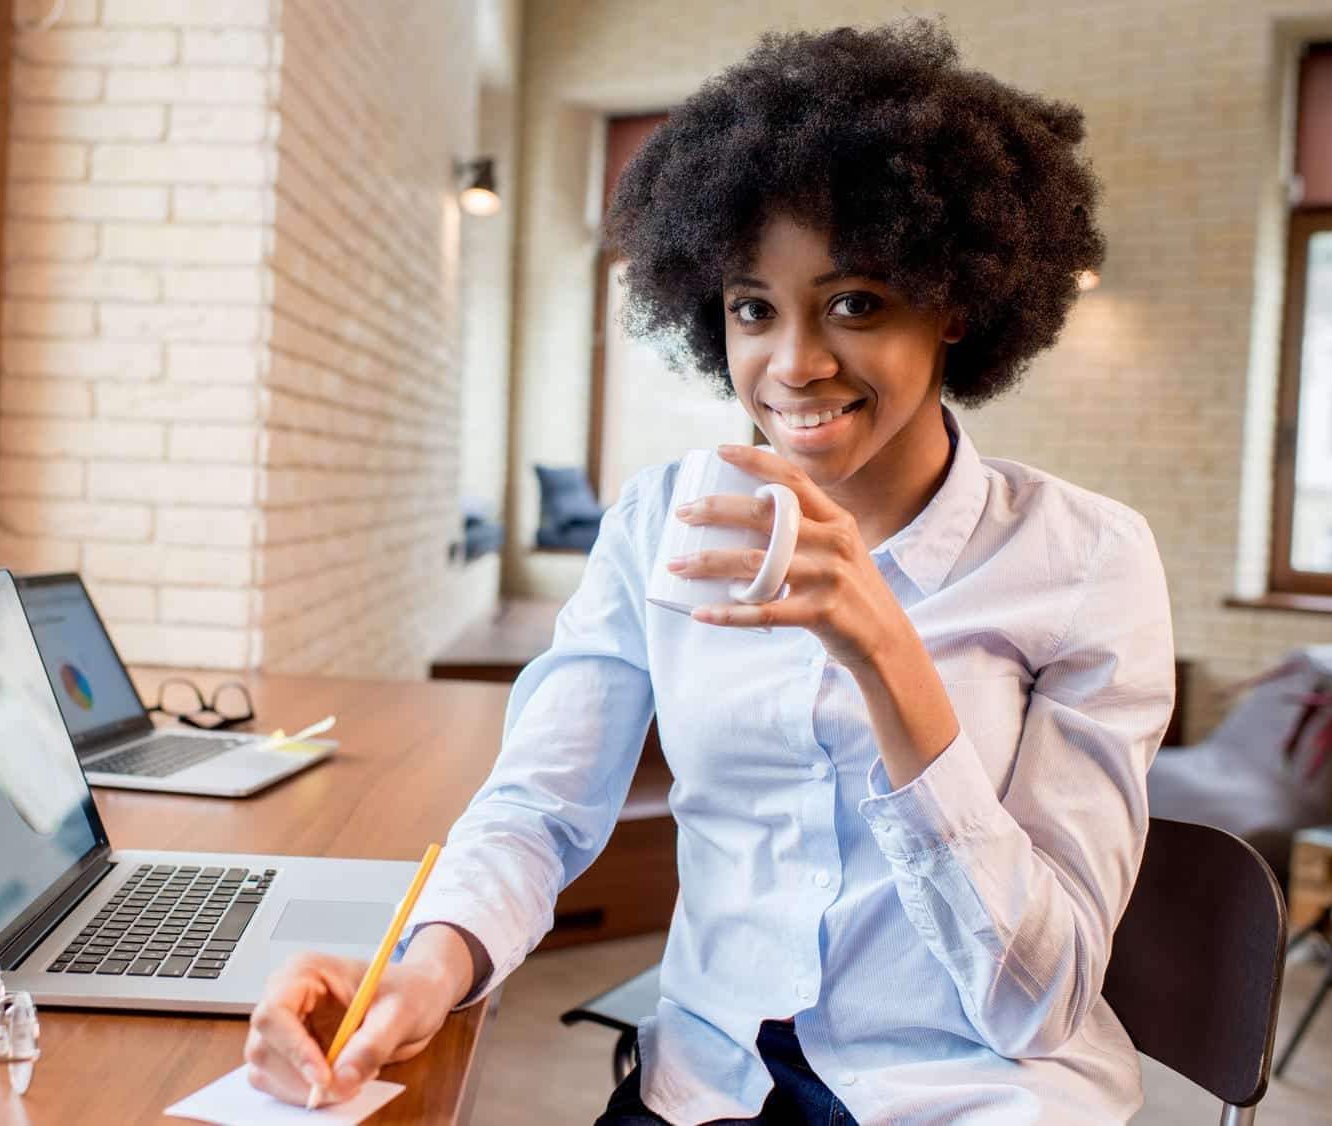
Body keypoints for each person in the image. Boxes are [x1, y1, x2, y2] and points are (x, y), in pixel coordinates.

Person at [241, 17, 1175, 1125]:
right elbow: (539, 805)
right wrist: (425, 966)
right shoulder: (659, 523)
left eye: (855, 302)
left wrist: (884, 652)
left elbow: (1042, 997)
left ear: (956, 303)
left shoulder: (1085, 561)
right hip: (707, 1081)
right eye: (752, 308)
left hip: (970, 1094)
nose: (793, 365)